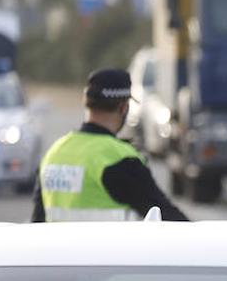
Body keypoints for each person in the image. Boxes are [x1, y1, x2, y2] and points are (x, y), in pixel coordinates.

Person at [32, 68, 189, 223]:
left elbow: (37, 223)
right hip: (108, 249)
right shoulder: (119, 159)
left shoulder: (54, 153)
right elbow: (166, 216)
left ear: (87, 102)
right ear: (123, 108)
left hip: (58, 249)